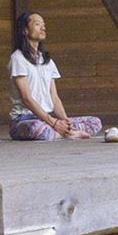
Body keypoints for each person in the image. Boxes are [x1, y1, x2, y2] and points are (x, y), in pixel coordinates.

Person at [9, 12, 101, 141]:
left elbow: (55, 98)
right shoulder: (18, 58)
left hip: (48, 120)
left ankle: (63, 133)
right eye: (37, 24)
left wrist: (66, 122)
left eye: (43, 24)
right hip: (25, 120)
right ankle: (66, 134)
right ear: (25, 30)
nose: (43, 27)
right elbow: (27, 99)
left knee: (95, 122)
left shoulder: (47, 61)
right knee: (35, 128)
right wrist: (54, 123)